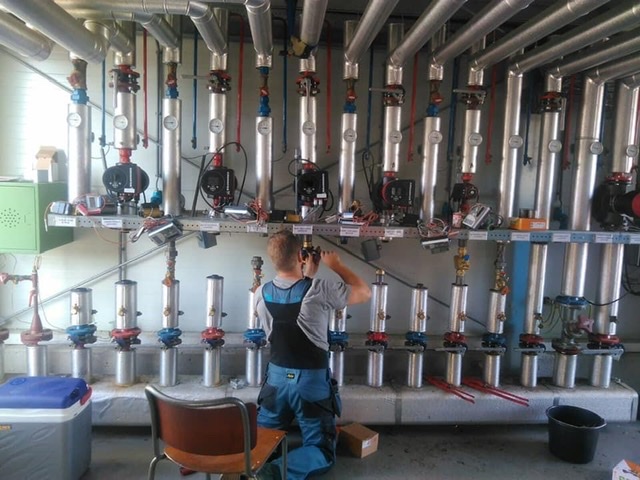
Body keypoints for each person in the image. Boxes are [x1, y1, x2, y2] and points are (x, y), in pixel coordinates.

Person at [254, 229, 371, 480]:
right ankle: (275, 473)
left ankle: (252, 465)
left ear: (273, 259)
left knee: (261, 441)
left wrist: (308, 274)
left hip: (275, 382)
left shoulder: (260, 293)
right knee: (321, 450)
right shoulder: (319, 289)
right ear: (300, 256)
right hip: (310, 384)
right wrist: (336, 265)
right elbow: (364, 292)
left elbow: (290, 296)